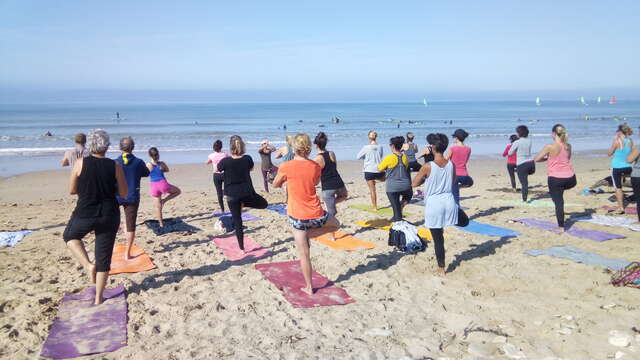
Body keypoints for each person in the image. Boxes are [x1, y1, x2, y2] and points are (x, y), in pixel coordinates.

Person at [63, 129, 128, 304]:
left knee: (70, 236)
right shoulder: (115, 166)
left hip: (85, 211)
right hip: (109, 213)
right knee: (104, 256)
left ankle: (87, 265)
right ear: (106, 146)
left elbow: (72, 190)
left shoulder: (80, 163)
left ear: (91, 145)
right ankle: (99, 298)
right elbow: (123, 192)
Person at [274, 133, 340, 295]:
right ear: (308, 148)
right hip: (316, 214)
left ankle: (309, 288)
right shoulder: (315, 166)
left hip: (297, 216)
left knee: (304, 254)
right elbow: (316, 182)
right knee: (336, 225)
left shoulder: (286, 166)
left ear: (294, 148)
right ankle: (310, 234)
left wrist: (286, 180)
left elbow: (275, 184)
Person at [411, 133, 466, 276]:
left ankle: (441, 268)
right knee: (458, 223)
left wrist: (426, 180)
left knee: (438, 239)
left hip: (434, 203)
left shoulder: (428, 166)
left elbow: (415, 183)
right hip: (449, 201)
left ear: (433, 147)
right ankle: (441, 267)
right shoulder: (451, 164)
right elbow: (454, 181)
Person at [217, 136, 268, 251]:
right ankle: (244, 204)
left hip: (231, 195)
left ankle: (242, 249)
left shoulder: (225, 161)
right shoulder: (247, 159)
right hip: (246, 193)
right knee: (264, 204)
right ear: (243, 147)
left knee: (237, 220)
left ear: (230, 148)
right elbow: (251, 169)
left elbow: (218, 169)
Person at [534, 124, 577, 230]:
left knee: (558, 201)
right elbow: (568, 158)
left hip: (556, 179)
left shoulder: (550, 147)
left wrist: (547, 158)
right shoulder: (568, 146)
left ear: (553, 134)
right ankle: (558, 198)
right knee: (557, 197)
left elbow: (536, 159)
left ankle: (561, 226)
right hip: (571, 179)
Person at [114, 137, 150, 260]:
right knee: (130, 225)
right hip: (132, 196)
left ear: (120, 148)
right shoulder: (138, 162)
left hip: (117, 195)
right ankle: (127, 253)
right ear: (133, 148)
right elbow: (146, 173)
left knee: (115, 222)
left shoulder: (115, 162)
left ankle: (115, 244)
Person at [313, 132, 348, 220]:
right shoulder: (331, 153)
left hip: (328, 186)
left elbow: (315, 174)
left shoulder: (317, 158)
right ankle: (330, 204)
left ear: (316, 145)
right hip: (338, 182)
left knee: (331, 212)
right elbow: (334, 167)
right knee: (343, 196)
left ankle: (330, 226)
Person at [378, 136, 412, 221]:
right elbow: (407, 170)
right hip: (406, 186)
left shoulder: (389, 158)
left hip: (393, 187)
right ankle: (398, 211)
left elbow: (379, 169)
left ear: (392, 146)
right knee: (407, 196)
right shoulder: (405, 157)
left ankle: (397, 218)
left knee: (396, 210)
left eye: (390, 145)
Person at [146, 147, 181, 227]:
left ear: (149, 155)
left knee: (158, 207)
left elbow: (146, 173)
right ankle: (165, 200)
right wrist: (161, 169)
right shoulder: (161, 163)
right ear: (158, 154)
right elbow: (167, 170)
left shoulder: (148, 165)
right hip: (163, 184)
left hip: (154, 186)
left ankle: (161, 224)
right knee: (178, 191)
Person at [608, 124, 634, 214]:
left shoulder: (616, 141)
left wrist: (613, 140)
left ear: (619, 132)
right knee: (628, 184)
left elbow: (609, 153)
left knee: (618, 187)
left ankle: (621, 208)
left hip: (617, 167)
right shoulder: (630, 141)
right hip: (628, 167)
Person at [357, 131, 385, 210]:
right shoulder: (380, 146)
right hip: (379, 169)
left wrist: (366, 157)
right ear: (376, 137)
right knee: (383, 179)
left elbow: (358, 157)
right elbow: (381, 156)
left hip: (369, 170)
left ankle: (374, 207)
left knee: (372, 190)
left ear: (369, 137)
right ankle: (376, 179)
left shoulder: (366, 147)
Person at [508, 125, 535, 202]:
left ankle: (524, 200)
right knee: (525, 178)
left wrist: (516, 150)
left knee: (524, 183)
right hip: (531, 163)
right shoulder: (530, 141)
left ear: (519, 133)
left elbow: (510, 153)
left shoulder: (517, 142)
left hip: (522, 164)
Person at [446, 129, 473, 204]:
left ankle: (457, 213)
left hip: (454, 175)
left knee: (455, 199)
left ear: (456, 138)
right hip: (464, 175)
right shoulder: (468, 149)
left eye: (454, 137)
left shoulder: (453, 148)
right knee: (470, 182)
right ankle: (457, 187)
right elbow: (466, 161)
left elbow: (445, 160)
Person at [207, 140, 229, 212]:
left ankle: (222, 210)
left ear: (214, 147)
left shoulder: (211, 155)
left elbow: (207, 163)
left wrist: (213, 161)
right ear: (221, 147)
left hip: (216, 175)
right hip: (225, 174)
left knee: (219, 192)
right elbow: (228, 160)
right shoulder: (225, 154)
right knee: (228, 190)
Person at [626, 133, 640, 224]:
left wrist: (631, 149)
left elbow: (629, 160)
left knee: (639, 198)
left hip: (638, 175)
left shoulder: (638, 147)